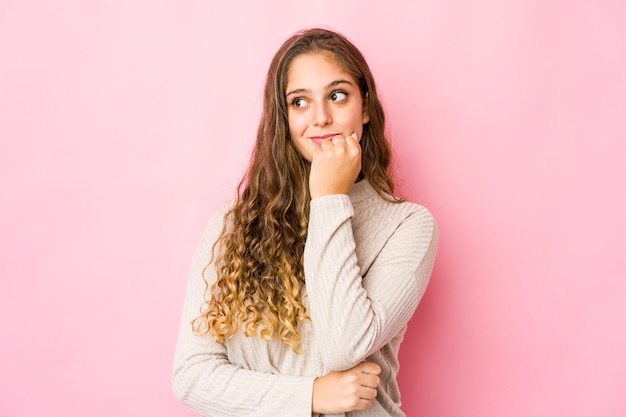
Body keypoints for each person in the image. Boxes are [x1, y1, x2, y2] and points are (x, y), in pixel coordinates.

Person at [172, 27, 438, 417]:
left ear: (365, 107)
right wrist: (312, 395)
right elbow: (192, 376)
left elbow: (345, 344)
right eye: (300, 102)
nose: (321, 118)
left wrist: (330, 198)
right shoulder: (232, 225)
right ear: (284, 118)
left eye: (337, 95)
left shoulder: (408, 226)